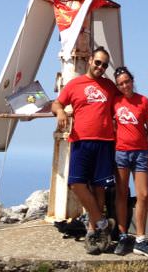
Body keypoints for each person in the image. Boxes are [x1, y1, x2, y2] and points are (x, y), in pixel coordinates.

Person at [51, 46, 118, 255]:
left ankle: (93, 233)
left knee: (99, 188)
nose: (100, 67)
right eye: (97, 62)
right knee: (76, 184)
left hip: (105, 141)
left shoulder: (109, 86)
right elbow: (57, 103)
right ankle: (102, 222)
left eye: (104, 64)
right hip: (80, 140)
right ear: (89, 60)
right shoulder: (75, 84)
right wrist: (61, 111)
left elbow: (125, 102)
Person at [112, 65, 148, 258]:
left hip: (140, 153)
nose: (125, 86)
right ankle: (123, 236)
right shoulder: (115, 102)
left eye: (127, 82)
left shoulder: (143, 101)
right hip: (121, 152)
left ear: (132, 81)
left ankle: (140, 239)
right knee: (122, 193)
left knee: (143, 195)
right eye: (121, 84)